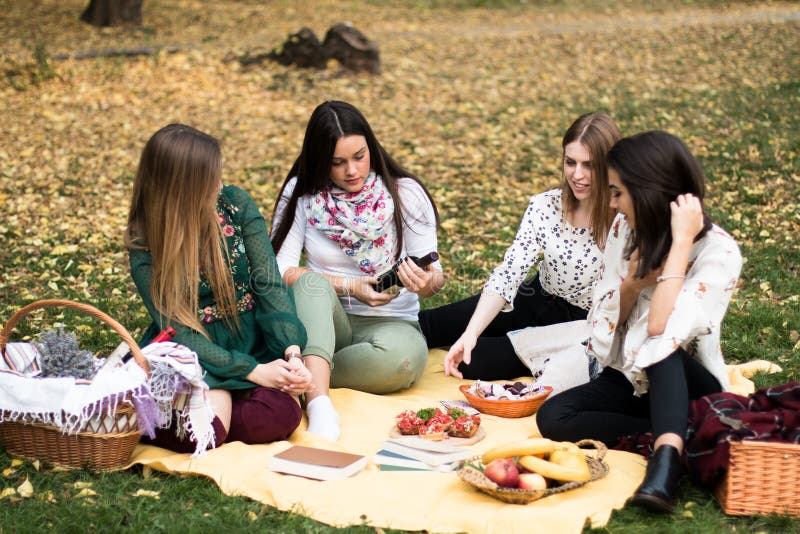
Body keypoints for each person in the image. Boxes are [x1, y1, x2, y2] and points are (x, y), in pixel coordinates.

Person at [536, 131, 743, 513]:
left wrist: (679, 247)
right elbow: (601, 325)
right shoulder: (624, 230)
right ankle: (676, 432)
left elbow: (661, 329)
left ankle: (665, 465)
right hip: (630, 375)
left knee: (661, 348)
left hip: (687, 380)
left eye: (617, 192)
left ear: (647, 191)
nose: (612, 204)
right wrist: (633, 283)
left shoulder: (719, 252)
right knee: (553, 417)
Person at [125, 124, 314, 453]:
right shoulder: (146, 243)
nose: (220, 184)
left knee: (282, 414)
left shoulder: (235, 205)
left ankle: (183, 413)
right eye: (211, 179)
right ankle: (198, 408)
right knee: (207, 435)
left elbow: (268, 282)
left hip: (250, 339)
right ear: (183, 189)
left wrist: (291, 353)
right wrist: (251, 373)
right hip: (195, 353)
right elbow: (179, 329)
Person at [271, 100, 444, 441]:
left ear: (372, 148)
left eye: (359, 156)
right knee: (310, 284)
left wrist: (425, 284)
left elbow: (435, 275)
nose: (352, 170)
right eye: (337, 163)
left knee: (405, 361)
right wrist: (350, 286)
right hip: (324, 316)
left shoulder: (405, 192)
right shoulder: (303, 193)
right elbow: (279, 269)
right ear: (320, 161)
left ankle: (307, 368)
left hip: (392, 325)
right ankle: (318, 403)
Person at [419, 112, 622, 380]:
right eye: (570, 162)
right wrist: (470, 332)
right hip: (535, 297)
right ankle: (359, 334)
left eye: (590, 165)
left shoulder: (623, 217)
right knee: (435, 324)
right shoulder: (545, 206)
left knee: (470, 362)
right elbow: (510, 272)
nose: (578, 174)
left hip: (578, 325)